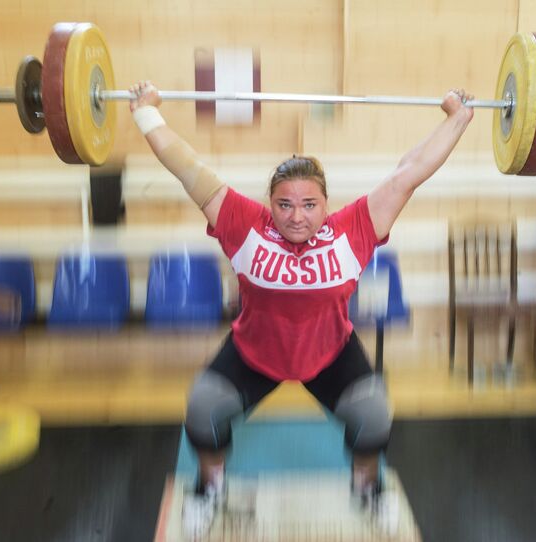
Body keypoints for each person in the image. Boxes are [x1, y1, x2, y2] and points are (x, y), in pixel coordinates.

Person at [129, 81, 473, 538]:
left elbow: (410, 171)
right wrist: (146, 113)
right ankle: (211, 485)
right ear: (270, 204)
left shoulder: (354, 229)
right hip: (255, 354)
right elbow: (185, 166)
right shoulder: (242, 223)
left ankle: (366, 485)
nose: (296, 216)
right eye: (285, 204)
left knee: (373, 415)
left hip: (330, 353)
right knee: (202, 409)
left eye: (309, 204)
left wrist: (457, 119)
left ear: (326, 204)